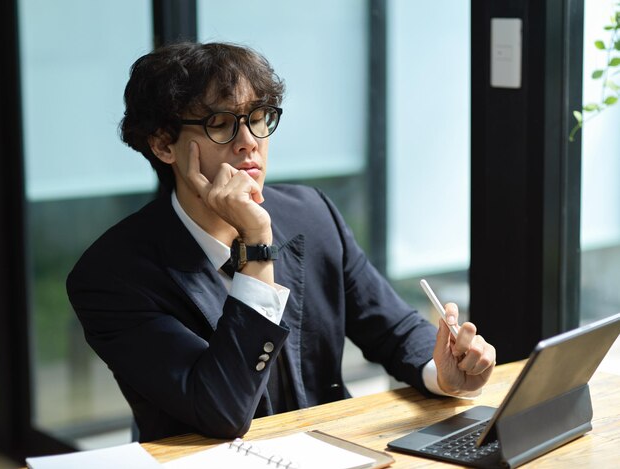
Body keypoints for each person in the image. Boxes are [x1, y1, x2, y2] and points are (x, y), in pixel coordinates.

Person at [66, 41, 496, 443]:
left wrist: (443, 374)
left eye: (258, 118)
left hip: (337, 453)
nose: (249, 142)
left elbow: (396, 331)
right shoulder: (111, 276)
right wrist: (256, 245)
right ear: (163, 145)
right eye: (220, 124)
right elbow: (221, 410)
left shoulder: (311, 213)